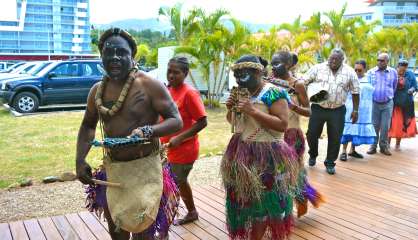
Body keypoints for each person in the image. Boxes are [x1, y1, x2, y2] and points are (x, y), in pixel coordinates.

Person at [75, 28, 183, 240]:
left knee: (145, 234)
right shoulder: (97, 90)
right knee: (118, 232)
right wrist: (80, 160)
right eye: (109, 52)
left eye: (121, 52)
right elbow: (88, 125)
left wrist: (148, 130)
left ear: (132, 56)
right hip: (114, 172)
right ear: (101, 56)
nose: (114, 57)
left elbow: (176, 120)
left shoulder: (149, 85)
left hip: (146, 172)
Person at [221, 55, 298, 240]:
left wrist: (252, 110)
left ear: (257, 72)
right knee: (250, 202)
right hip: (243, 154)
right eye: (236, 75)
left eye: (243, 75)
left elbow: (282, 125)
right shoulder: (243, 93)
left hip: (268, 156)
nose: (239, 80)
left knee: (266, 203)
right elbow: (234, 122)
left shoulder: (274, 93)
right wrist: (231, 108)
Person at [269, 51, 324, 218]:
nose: (273, 67)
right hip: (272, 134)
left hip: (292, 135)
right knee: (275, 173)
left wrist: (292, 106)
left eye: (277, 63)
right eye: (272, 63)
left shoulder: (297, 84)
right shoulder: (269, 82)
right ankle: (280, 207)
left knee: (292, 172)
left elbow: (309, 112)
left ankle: (300, 200)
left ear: (287, 65)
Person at [161, 56, 207, 225]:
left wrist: (180, 138)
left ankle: (170, 217)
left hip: (184, 149)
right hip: (167, 148)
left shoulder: (190, 93)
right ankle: (190, 211)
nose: (171, 75)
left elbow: (203, 121)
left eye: (176, 72)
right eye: (169, 71)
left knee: (175, 182)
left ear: (185, 73)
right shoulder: (167, 90)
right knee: (176, 181)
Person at [304, 48, 360, 174]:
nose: (333, 61)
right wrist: (305, 100)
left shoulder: (349, 72)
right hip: (318, 108)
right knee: (311, 134)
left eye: (336, 59)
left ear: (342, 60)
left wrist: (355, 110)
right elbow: (303, 82)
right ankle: (313, 154)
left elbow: (356, 92)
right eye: (331, 58)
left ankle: (330, 162)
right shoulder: (318, 68)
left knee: (335, 137)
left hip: (337, 110)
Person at [339, 60, 376, 161]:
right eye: (355, 70)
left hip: (364, 110)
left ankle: (352, 150)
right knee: (348, 127)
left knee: (356, 129)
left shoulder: (370, 79)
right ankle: (343, 151)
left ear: (365, 69)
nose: (357, 72)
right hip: (350, 108)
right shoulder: (349, 78)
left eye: (359, 70)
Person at [367, 53, 398, 156]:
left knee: (385, 126)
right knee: (374, 125)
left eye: (382, 60)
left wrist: (389, 96)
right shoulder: (371, 72)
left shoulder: (393, 72)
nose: (379, 62)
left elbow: (394, 86)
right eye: (378, 60)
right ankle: (373, 146)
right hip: (374, 103)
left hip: (388, 103)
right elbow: (367, 87)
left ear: (387, 61)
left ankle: (383, 147)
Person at [388, 59, 417, 150]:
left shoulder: (410, 74)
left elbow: (415, 86)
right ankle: (387, 144)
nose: (402, 71)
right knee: (391, 124)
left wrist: (412, 89)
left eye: (404, 69)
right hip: (394, 104)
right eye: (401, 69)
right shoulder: (392, 73)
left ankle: (397, 144)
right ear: (397, 67)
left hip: (406, 104)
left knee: (401, 124)